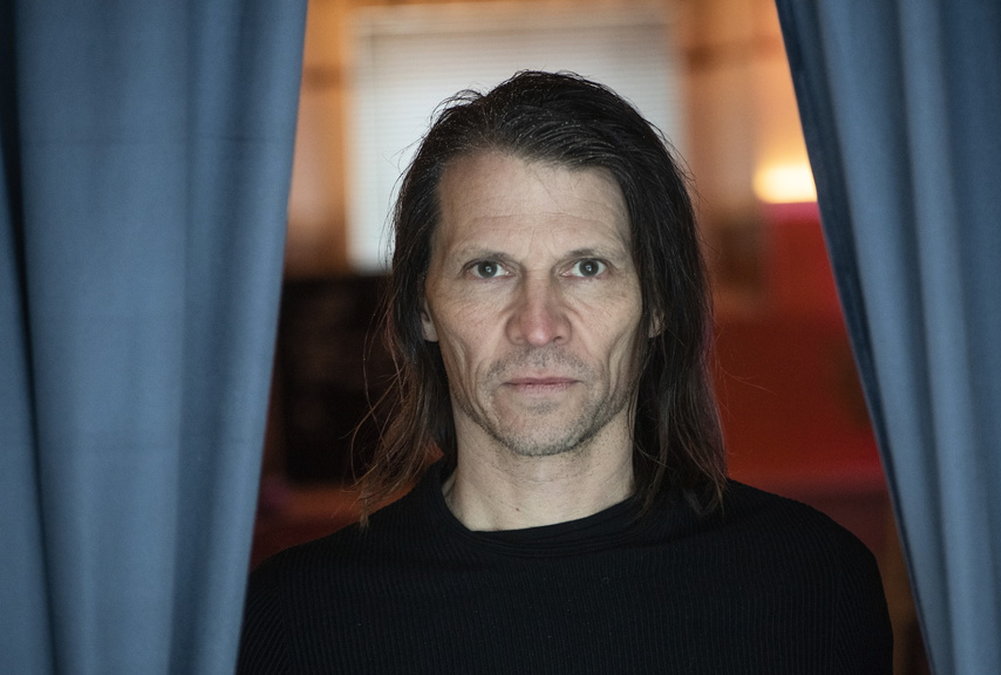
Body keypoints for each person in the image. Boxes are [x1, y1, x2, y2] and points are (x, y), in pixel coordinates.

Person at [238, 71, 892, 673]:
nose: (537, 325)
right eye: (488, 269)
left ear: (658, 303)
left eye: (587, 268)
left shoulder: (811, 583)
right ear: (422, 307)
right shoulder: (297, 619)